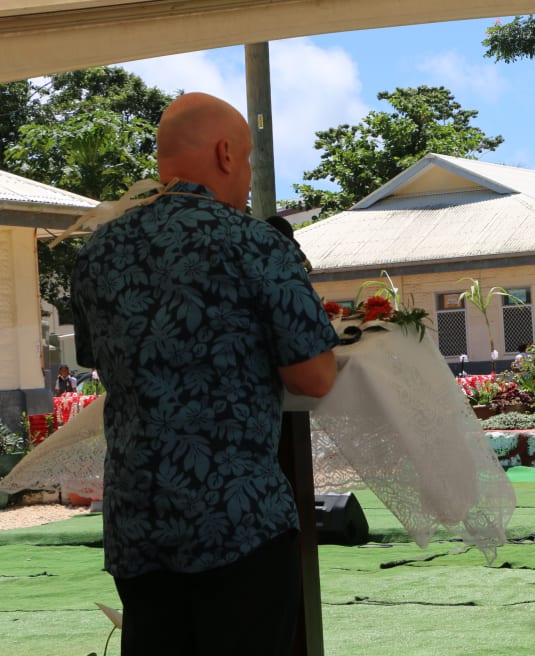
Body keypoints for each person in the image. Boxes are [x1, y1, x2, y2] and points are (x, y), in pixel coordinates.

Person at [71, 92, 339, 656]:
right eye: (244, 161)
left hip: (136, 516)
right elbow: (314, 377)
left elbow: (99, 358)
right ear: (224, 154)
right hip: (235, 519)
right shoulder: (255, 243)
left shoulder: (98, 251)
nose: (244, 178)